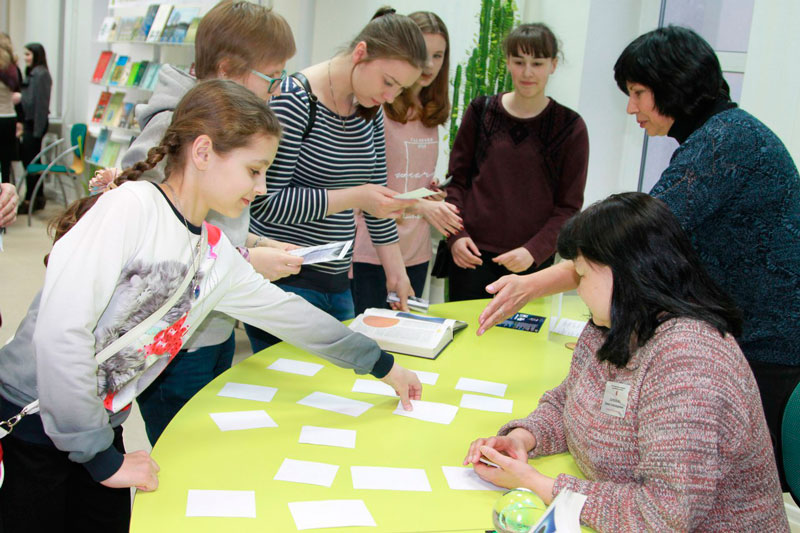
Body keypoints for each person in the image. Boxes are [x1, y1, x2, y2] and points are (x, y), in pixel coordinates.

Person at [0, 80, 422, 532]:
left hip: (98, 427)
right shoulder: (131, 208)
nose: (261, 187)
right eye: (254, 170)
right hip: (35, 421)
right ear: (202, 152)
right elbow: (61, 334)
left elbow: (296, 318)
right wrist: (99, 456)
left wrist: (381, 364)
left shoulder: (215, 253)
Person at [476, 25, 800, 491]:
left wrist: (535, 282)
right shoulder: (721, 136)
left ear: (674, 86)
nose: (631, 108)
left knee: (722, 488)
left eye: (638, 93)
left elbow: (630, 242)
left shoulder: (723, 143)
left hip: (766, 346)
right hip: (755, 335)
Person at [465, 192, 789, 532]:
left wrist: (537, 484)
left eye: (582, 276)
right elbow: (569, 401)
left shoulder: (689, 359)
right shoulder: (612, 325)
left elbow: (665, 515)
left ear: (622, 273)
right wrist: (523, 438)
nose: (579, 289)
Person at [119, 0, 304, 445]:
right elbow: (156, 235)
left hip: (214, 322)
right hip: (177, 339)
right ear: (225, 70)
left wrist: (254, 243)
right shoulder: (177, 125)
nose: (277, 90)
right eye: (271, 77)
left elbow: (213, 225)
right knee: (184, 451)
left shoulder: (229, 125)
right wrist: (247, 261)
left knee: (212, 443)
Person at [247, 7, 427, 352]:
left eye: (400, 88)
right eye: (388, 82)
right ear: (360, 53)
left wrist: (396, 273)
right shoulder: (294, 99)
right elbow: (265, 204)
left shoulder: (370, 109)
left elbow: (377, 200)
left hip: (338, 283)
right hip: (285, 281)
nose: (390, 96)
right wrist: (356, 196)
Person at [443, 23, 588, 302]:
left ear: (553, 65)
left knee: (524, 333)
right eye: (519, 62)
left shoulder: (570, 127)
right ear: (508, 62)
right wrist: (456, 236)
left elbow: (569, 207)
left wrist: (534, 251)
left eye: (537, 63)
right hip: (470, 257)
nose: (527, 72)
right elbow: (456, 183)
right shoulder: (481, 111)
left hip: (531, 267)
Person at [350, 11, 461, 315]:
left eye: (438, 55)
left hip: (416, 251)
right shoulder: (376, 105)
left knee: (405, 333)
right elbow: (361, 189)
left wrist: (429, 193)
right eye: (423, 53)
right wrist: (420, 205)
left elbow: (406, 177)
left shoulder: (430, 112)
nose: (430, 65)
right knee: (367, 338)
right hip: (370, 252)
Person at [16, 42, 51, 213]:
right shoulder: (32, 74)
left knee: (31, 163)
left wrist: (37, 130)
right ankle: (37, 197)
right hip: (30, 123)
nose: (25, 58)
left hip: (35, 123)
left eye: (28, 54)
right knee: (32, 162)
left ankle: (31, 198)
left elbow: (41, 105)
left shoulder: (41, 75)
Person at [0, 33, 20, 185]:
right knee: (6, 159)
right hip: (9, 117)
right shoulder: (12, 69)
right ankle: (6, 189)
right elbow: (17, 90)